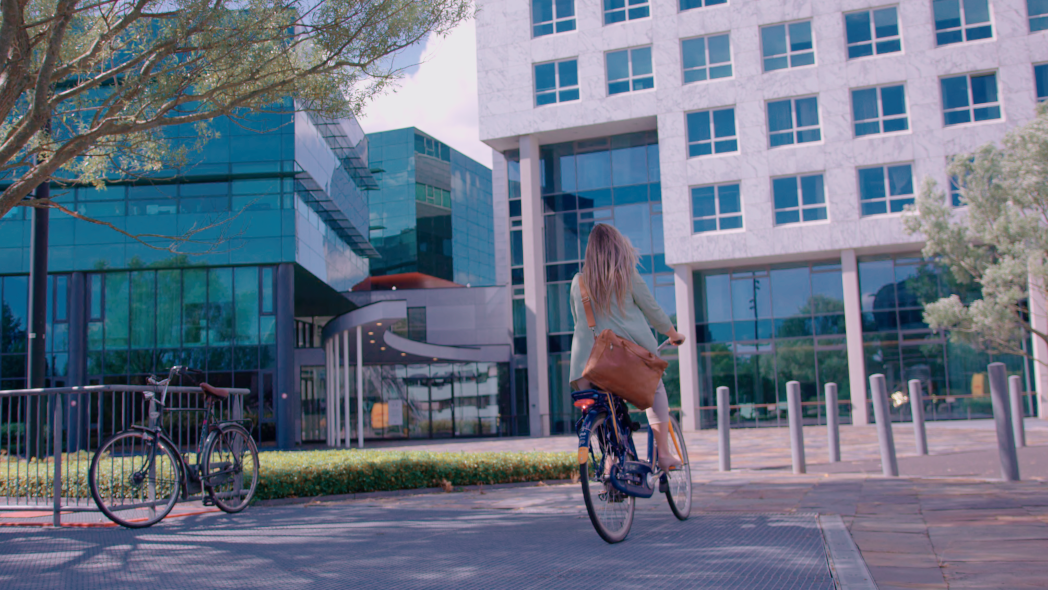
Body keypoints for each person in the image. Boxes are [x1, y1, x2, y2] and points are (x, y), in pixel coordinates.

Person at [568, 223, 687, 471]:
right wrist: (673, 333)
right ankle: (664, 454)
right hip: (624, 362)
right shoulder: (626, 276)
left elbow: (577, 319)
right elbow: (653, 311)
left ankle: (610, 463)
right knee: (655, 389)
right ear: (618, 248)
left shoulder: (578, 282)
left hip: (585, 369)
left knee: (602, 409)